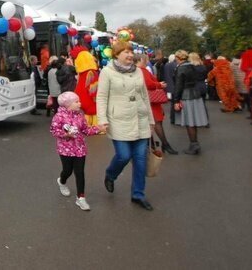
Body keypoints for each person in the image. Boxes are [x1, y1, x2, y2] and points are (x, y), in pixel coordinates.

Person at [97, 41, 156, 211]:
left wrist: (151, 120)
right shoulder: (107, 72)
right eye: (126, 52)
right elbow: (101, 97)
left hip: (141, 119)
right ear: (116, 54)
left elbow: (144, 96)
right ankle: (110, 174)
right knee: (123, 155)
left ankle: (138, 194)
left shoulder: (138, 71)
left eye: (131, 52)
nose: (130, 55)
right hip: (119, 120)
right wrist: (102, 119)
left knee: (140, 160)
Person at [50, 91, 101, 211]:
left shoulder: (80, 115)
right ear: (68, 104)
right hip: (65, 150)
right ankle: (62, 181)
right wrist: (66, 134)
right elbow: (54, 131)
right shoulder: (59, 116)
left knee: (80, 172)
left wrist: (98, 129)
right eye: (76, 101)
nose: (80, 103)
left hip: (80, 149)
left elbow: (85, 130)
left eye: (79, 101)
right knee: (67, 171)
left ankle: (81, 198)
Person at [135, 53, 177, 154]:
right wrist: (159, 84)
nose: (147, 61)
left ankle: (153, 145)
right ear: (141, 60)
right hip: (151, 101)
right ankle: (165, 144)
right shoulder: (142, 71)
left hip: (145, 100)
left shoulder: (136, 70)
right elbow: (148, 84)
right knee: (157, 122)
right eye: (146, 59)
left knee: (150, 123)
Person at [172, 50, 209, 154]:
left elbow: (178, 86)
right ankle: (195, 143)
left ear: (178, 58)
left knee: (189, 122)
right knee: (194, 121)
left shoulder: (180, 68)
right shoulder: (193, 66)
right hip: (195, 94)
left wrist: (176, 100)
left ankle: (193, 144)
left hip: (186, 96)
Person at [74, 50, 99, 127]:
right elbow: (93, 87)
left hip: (81, 96)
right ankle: (95, 126)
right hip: (90, 98)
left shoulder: (81, 73)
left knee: (86, 112)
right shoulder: (91, 72)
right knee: (93, 111)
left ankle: (86, 125)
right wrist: (95, 97)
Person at [163, 54, 177, 125]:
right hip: (175, 85)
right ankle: (175, 118)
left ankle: (172, 118)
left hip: (168, 84)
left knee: (172, 102)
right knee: (175, 102)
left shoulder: (166, 65)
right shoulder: (175, 65)